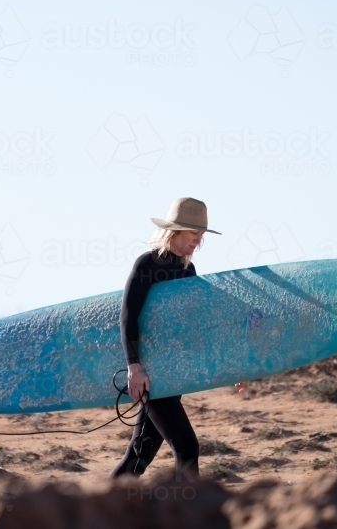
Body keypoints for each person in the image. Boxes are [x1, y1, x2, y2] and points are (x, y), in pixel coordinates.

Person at [110, 197, 246, 479]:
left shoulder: (188, 272)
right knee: (187, 447)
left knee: (140, 454)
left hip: (174, 374)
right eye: (193, 233)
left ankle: (100, 515)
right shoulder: (148, 264)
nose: (198, 240)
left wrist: (231, 366)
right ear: (175, 231)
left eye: (201, 235)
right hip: (152, 375)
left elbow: (198, 329)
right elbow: (128, 317)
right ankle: (189, 514)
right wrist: (134, 367)